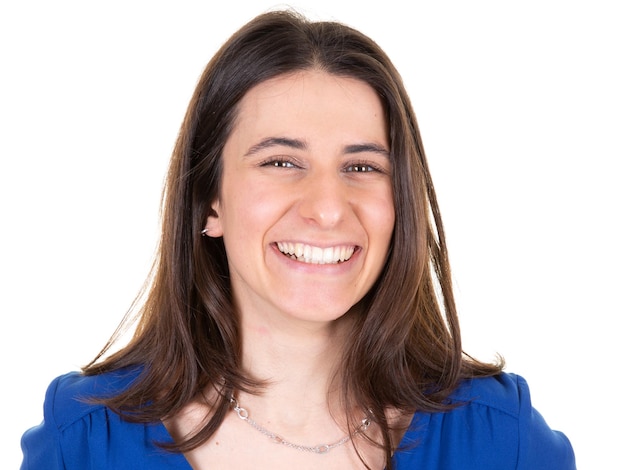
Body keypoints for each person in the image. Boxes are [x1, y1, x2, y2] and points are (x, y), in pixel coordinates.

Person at [20, 9, 576, 470]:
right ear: (208, 202)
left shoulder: (504, 441)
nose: (328, 208)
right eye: (281, 161)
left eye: (361, 167)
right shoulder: (83, 441)